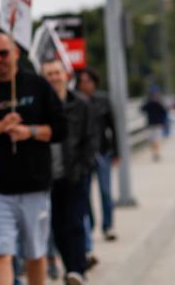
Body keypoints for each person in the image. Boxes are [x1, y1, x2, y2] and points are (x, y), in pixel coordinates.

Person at [0, 33, 65, 285]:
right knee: (2, 253)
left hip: (35, 185)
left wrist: (28, 131)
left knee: (35, 253)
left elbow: (61, 129)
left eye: (3, 53)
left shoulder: (38, 85)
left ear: (16, 53)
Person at [41, 59, 96, 285]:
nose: (54, 77)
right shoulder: (40, 105)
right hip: (48, 177)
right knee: (57, 226)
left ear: (66, 75)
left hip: (74, 174)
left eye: (57, 72)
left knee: (75, 221)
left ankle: (78, 269)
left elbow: (91, 138)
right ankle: (69, 268)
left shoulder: (80, 104)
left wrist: (83, 167)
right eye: (49, 74)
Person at [74, 67, 118, 242]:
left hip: (102, 151)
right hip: (84, 155)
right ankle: (89, 227)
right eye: (82, 81)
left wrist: (116, 151)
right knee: (85, 194)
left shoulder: (103, 100)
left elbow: (113, 127)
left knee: (105, 191)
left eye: (88, 81)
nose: (85, 85)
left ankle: (108, 225)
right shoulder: (76, 101)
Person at [140, 88, 168, 162]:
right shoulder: (153, 103)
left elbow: (164, 112)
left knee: (155, 140)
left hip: (156, 125)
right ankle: (155, 153)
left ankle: (156, 153)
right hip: (152, 124)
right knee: (153, 140)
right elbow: (142, 109)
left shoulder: (156, 103)